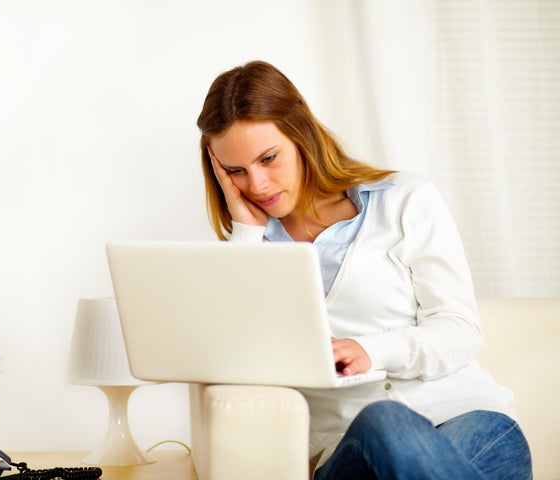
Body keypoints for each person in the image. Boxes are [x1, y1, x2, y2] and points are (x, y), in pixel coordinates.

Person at [196, 60, 532, 480]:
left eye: (268, 158)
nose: (258, 185)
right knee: (384, 421)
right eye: (236, 171)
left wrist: (373, 349)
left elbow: (461, 329)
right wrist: (245, 237)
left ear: (302, 137)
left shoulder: (405, 199)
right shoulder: (248, 254)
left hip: (468, 419)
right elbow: (230, 362)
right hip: (350, 444)